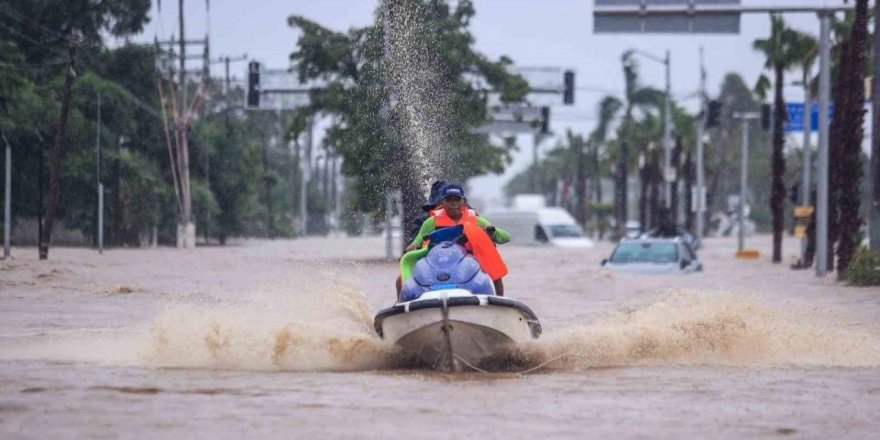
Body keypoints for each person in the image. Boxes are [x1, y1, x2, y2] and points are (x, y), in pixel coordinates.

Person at [407, 183, 510, 296]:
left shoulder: (476, 220)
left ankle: (498, 302)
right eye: (449, 200)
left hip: (469, 262)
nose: (453, 204)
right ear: (442, 203)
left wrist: (492, 232)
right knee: (402, 280)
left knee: (495, 275)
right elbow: (417, 241)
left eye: (457, 200)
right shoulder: (431, 222)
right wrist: (413, 246)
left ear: (464, 202)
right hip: (439, 262)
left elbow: (505, 238)